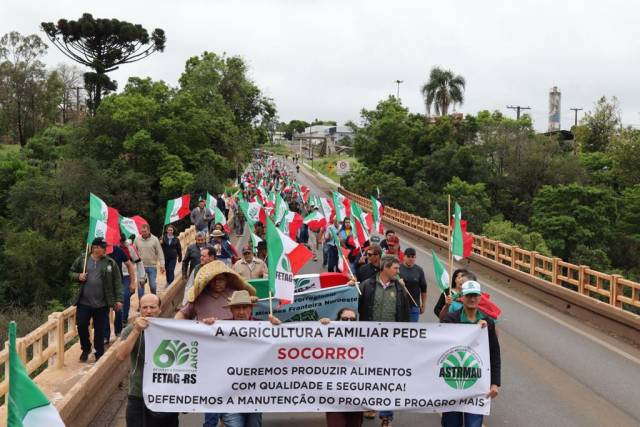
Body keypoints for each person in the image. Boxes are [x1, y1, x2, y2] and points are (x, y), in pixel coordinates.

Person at [176, 263, 257, 427]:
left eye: (221, 279)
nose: (217, 283)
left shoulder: (236, 295)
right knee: (212, 403)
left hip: (239, 360)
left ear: (227, 279)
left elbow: (251, 320)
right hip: (210, 358)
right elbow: (180, 317)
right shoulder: (198, 298)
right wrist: (184, 331)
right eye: (213, 280)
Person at [203, 290, 280, 427]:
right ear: (231, 310)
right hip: (229, 396)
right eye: (237, 308)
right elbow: (204, 346)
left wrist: (277, 328)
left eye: (245, 307)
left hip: (255, 395)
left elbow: (282, 350)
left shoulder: (264, 327)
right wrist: (206, 328)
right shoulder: (220, 328)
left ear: (251, 309)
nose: (241, 311)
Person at [358, 255, 411, 426]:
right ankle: (370, 404)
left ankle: (386, 415)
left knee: (389, 377)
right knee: (369, 374)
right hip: (370, 339)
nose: (398, 271)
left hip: (392, 341)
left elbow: (405, 315)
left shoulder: (401, 290)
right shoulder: (367, 285)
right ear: (385, 268)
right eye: (395, 268)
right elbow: (359, 309)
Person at [441, 280, 501, 427]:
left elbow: (494, 354)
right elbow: (442, 349)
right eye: (468, 295)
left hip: (477, 383)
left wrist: (495, 383)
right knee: (451, 424)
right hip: (452, 382)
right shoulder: (450, 320)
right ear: (462, 297)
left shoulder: (488, 323)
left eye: (475, 295)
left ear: (480, 297)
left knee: (473, 424)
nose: (472, 299)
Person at [117, 293, 179, 427]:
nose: (149, 311)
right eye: (145, 307)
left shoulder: (171, 330)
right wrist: (136, 331)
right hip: (138, 394)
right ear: (139, 309)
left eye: (153, 307)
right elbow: (120, 355)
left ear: (160, 309)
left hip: (165, 395)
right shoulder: (130, 330)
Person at [69, 237, 123, 362]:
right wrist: (78, 276)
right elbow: (70, 272)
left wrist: (119, 299)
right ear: (94, 248)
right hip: (84, 301)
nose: (103, 250)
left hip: (102, 303)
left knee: (100, 329)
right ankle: (86, 348)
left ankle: (99, 352)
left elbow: (117, 281)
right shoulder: (83, 259)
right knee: (81, 325)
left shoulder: (110, 262)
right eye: (100, 247)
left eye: (104, 248)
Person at [319, 307, 362, 427]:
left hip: (356, 395)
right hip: (334, 395)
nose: (348, 322)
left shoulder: (364, 339)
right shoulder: (329, 336)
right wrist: (322, 326)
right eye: (344, 319)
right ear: (338, 320)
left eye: (352, 320)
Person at [105, 241, 136, 344]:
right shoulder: (98, 252)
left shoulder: (118, 250)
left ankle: (118, 331)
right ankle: (106, 336)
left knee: (119, 309)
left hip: (118, 284)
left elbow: (129, 265)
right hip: (103, 287)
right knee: (104, 311)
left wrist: (132, 282)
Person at [121, 237, 146, 328]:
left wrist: (142, 277)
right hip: (114, 276)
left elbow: (139, 262)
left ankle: (124, 319)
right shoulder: (110, 247)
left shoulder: (130, 248)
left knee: (125, 295)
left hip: (127, 275)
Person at [399, 248, 427, 323]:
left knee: (412, 329)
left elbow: (423, 289)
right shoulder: (398, 268)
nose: (411, 259)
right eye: (409, 256)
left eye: (413, 257)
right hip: (400, 305)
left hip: (414, 306)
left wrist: (423, 305)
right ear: (404, 257)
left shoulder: (419, 270)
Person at [135, 224, 165, 295]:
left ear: (149, 231)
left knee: (153, 286)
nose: (143, 233)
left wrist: (162, 264)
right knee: (140, 287)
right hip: (141, 267)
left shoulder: (155, 239)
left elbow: (160, 252)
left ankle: (154, 299)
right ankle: (141, 304)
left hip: (152, 266)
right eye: (142, 231)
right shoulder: (137, 239)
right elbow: (134, 251)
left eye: (145, 231)